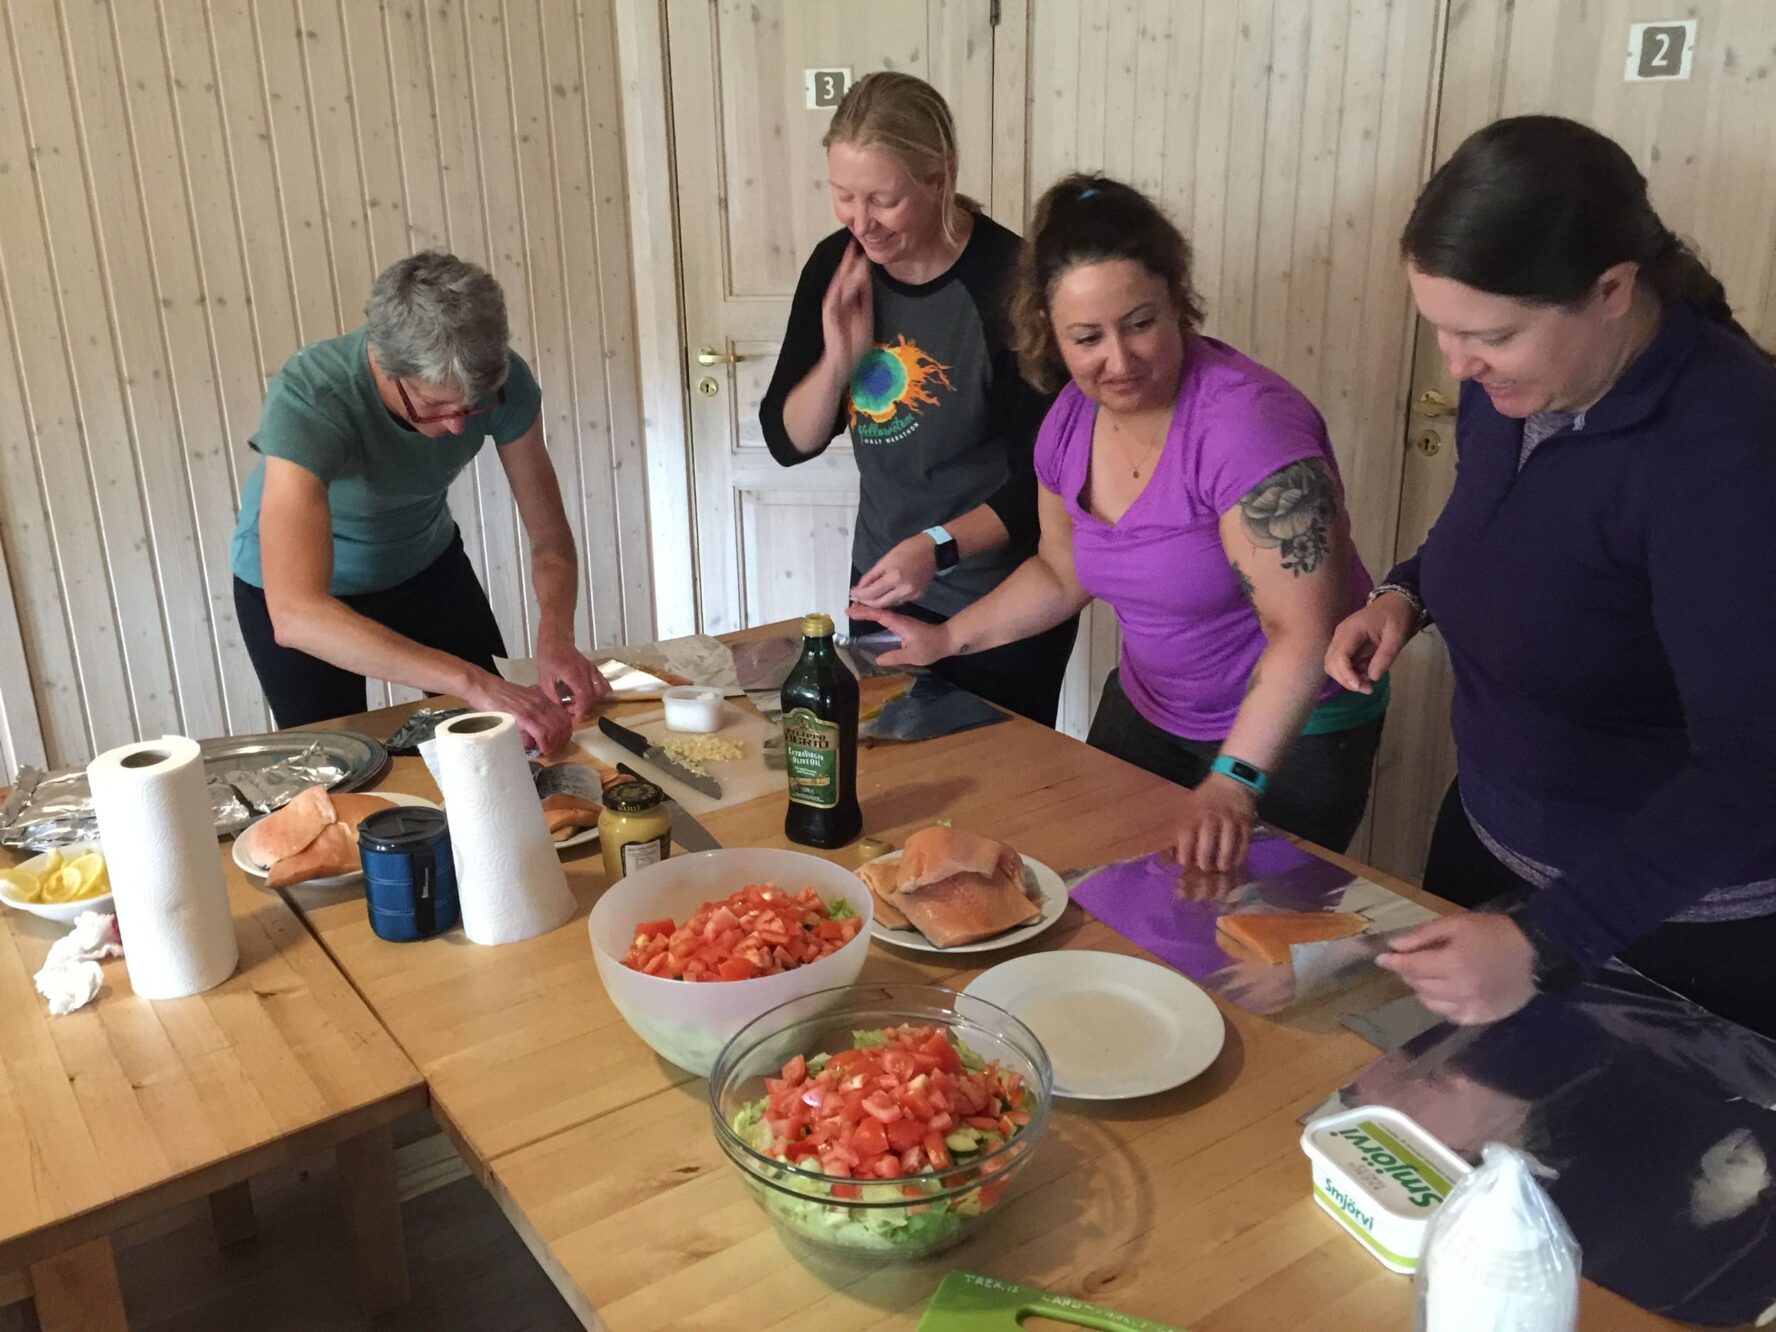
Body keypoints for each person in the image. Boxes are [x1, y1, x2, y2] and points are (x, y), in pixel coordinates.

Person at [1326, 115, 1776, 1037]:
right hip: (1496, 853)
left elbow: (1752, 766)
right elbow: (1499, 532)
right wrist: (1407, 595)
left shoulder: (1727, 455)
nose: (1456, 364)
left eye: (1489, 334)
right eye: (1441, 331)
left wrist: (1547, 939)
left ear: (1612, 289)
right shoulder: (1517, 391)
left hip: (1663, 928)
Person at [863, 175, 1386, 870]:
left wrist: (1235, 779)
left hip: (1289, 733)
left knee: (1237, 953)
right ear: (1049, 332)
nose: (1119, 360)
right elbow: (1060, 571)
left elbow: (1303, 630)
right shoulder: (1069, 423)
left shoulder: (1246, 428)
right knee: (1098, 896)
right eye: (1087, 337)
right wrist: (949, 638)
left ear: (1177, 302)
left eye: (1141, 324)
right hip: (1150, 708)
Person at [758, 72, 1078, 725]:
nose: (861, 222)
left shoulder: (1009, 284)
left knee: (996, 794)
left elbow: (1037, 483)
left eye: (884, 199)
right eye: (843, 195)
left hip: (1002, 603)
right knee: (883, 759)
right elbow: (787, 440)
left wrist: (935, 543)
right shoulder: (836, 266)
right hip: (881, 590)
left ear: (940, 178)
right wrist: (839, 360)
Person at [231, 252, 608, 753]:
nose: (457, 426)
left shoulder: (501, 381)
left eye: (472, 407)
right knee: (338, 768)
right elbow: (298, 613)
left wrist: (556, 636)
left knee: (499, 740)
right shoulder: (313, 397)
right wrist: (475, 682)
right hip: (308, 595)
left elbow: (550, 540)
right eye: (435, 406)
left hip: (425, 564)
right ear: (383, 366)